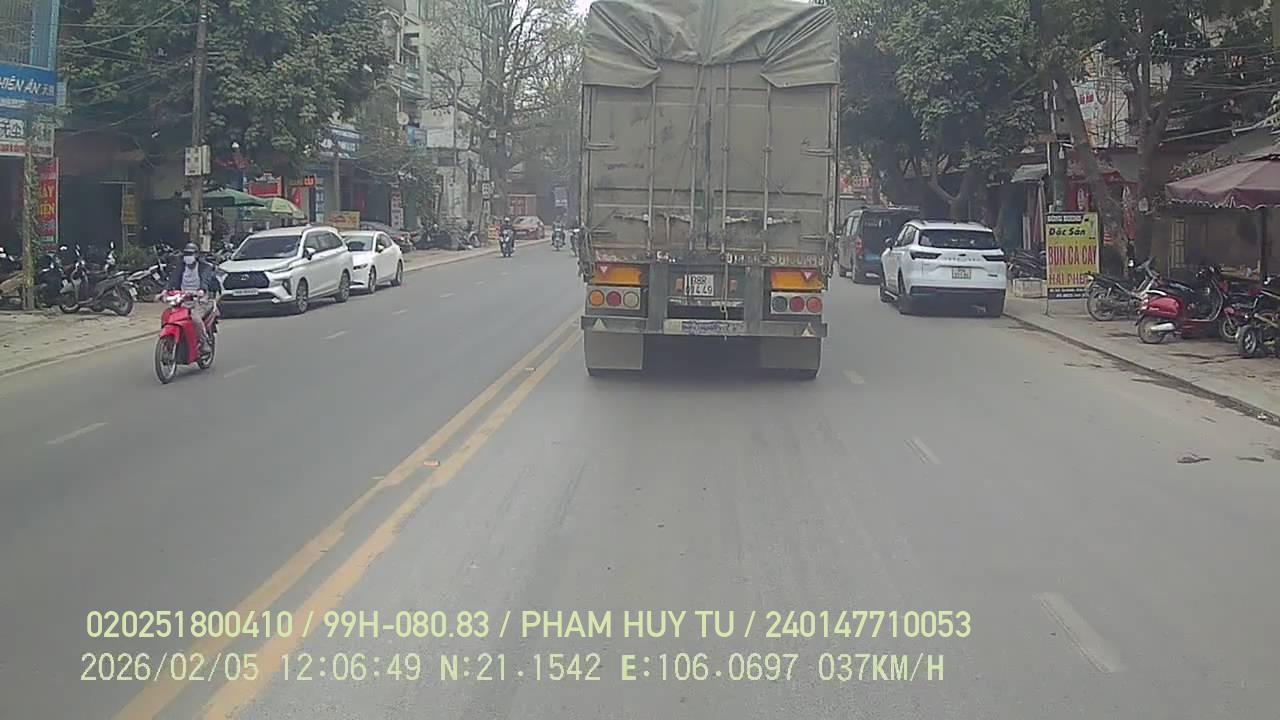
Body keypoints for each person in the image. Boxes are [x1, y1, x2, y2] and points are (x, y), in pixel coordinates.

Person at [167, 243, 220, 353]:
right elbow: (173, 279)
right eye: (186, 254)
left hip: (201, 300)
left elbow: (205, 279)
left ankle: (204, 342)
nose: (188, 256)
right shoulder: (181, 267)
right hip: (183, 298)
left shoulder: (205, 267)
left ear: (196, 255)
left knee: (195, 318)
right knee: (169, 315)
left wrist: (201, 290)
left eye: (190, 254)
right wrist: (164, 291)